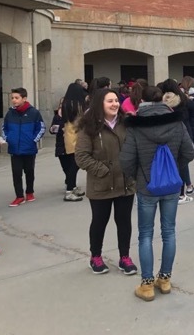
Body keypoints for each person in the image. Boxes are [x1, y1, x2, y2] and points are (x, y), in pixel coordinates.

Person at [120, 85, 194, 302]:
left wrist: (137, 176)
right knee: (169, 231)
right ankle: (165, 279)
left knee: (145, 234)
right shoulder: (177, 123)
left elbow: (126, 160)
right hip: (171, 186)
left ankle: (147, 284)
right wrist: (173, 169)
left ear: (141, 101)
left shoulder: (135, 126)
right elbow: (189, 152)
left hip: (146, 187)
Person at [75, 88, 137, 275]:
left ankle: (125, 257)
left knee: (124, 221)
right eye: (110, 101)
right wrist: (103, 170)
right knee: (99, 221)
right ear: (99, 104)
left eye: (116, 100)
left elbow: (134, 148)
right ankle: (95, 256)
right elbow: (81, 157)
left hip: (125, 183)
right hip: (101, 184)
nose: (115, 104)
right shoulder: (89, 127)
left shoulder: (126, 123)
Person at [2, 88, 45, 207]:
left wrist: (33, 140)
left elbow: (41, 128)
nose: (14, 100)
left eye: (16, 98)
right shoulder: (10, 113)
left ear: (24, 98)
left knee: (29, 171)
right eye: (12, 98)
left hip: (29, 149)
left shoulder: (34, 113)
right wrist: (8, 138)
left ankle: (29, 192)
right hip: (14, 149)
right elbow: (4, 128)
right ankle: (19, 196)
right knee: (16, 173)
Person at [55, 83, 89, 201]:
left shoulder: (65, 105)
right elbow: (81, 122)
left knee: (72, 165)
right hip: (76, 137)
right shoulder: (78, 106)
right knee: (74, 166)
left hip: (68, 138)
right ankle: (69, 190)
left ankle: (72, 187)